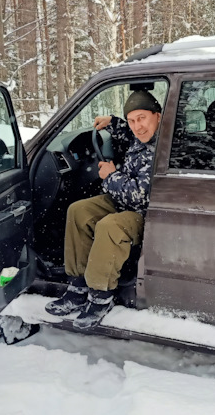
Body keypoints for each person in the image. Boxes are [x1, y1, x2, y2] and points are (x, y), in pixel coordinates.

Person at [44, 90, 162, 329]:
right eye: (132, 120)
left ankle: (100, 296)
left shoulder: (162, 146)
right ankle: (78, 285)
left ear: (157, 116)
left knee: (109, 226)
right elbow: (130, 134)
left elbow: (140, 195)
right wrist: (114, 122)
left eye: (142, 118)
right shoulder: (141, 136)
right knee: (79, 211)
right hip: (121, 201)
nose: (137, 126)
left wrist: (110, 175)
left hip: (145, 214)